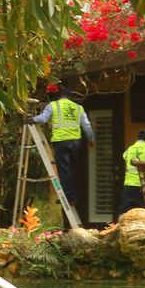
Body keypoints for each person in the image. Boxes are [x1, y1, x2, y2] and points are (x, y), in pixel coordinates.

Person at [32, 87, 92, 218]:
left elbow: (42, 119)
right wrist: (91, 139)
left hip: (61, 142)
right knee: (74, 169)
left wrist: (31, 119)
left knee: (65, 170)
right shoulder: (78, 108)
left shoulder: (53, 105)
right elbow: (86, 125)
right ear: (70, 97)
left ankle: (69, 197)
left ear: (59, 96)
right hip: (76, 142)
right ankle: (75, 196)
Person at [118, 129, 145, 214]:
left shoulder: (128, 150)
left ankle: (119, 226)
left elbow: (125, 161)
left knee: (124, 212)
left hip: (129, 185)